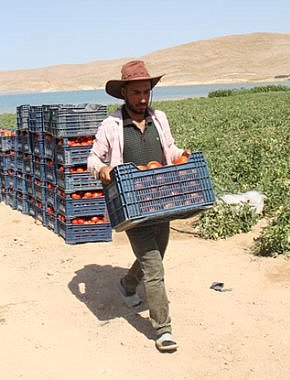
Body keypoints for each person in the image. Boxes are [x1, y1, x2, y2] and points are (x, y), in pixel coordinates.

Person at [87, 60, 190, 352]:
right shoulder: (112, 125)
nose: (142, 98)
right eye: (136, 93)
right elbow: (92, 158)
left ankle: (127, 284)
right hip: (133, 204)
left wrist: (181, 153)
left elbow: (168, 149)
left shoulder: (160, 119)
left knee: (156, 255)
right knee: (155, 267)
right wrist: (102, 169)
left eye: (146, 92)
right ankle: (163, 329)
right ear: (124, 94)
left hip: (162, 200)